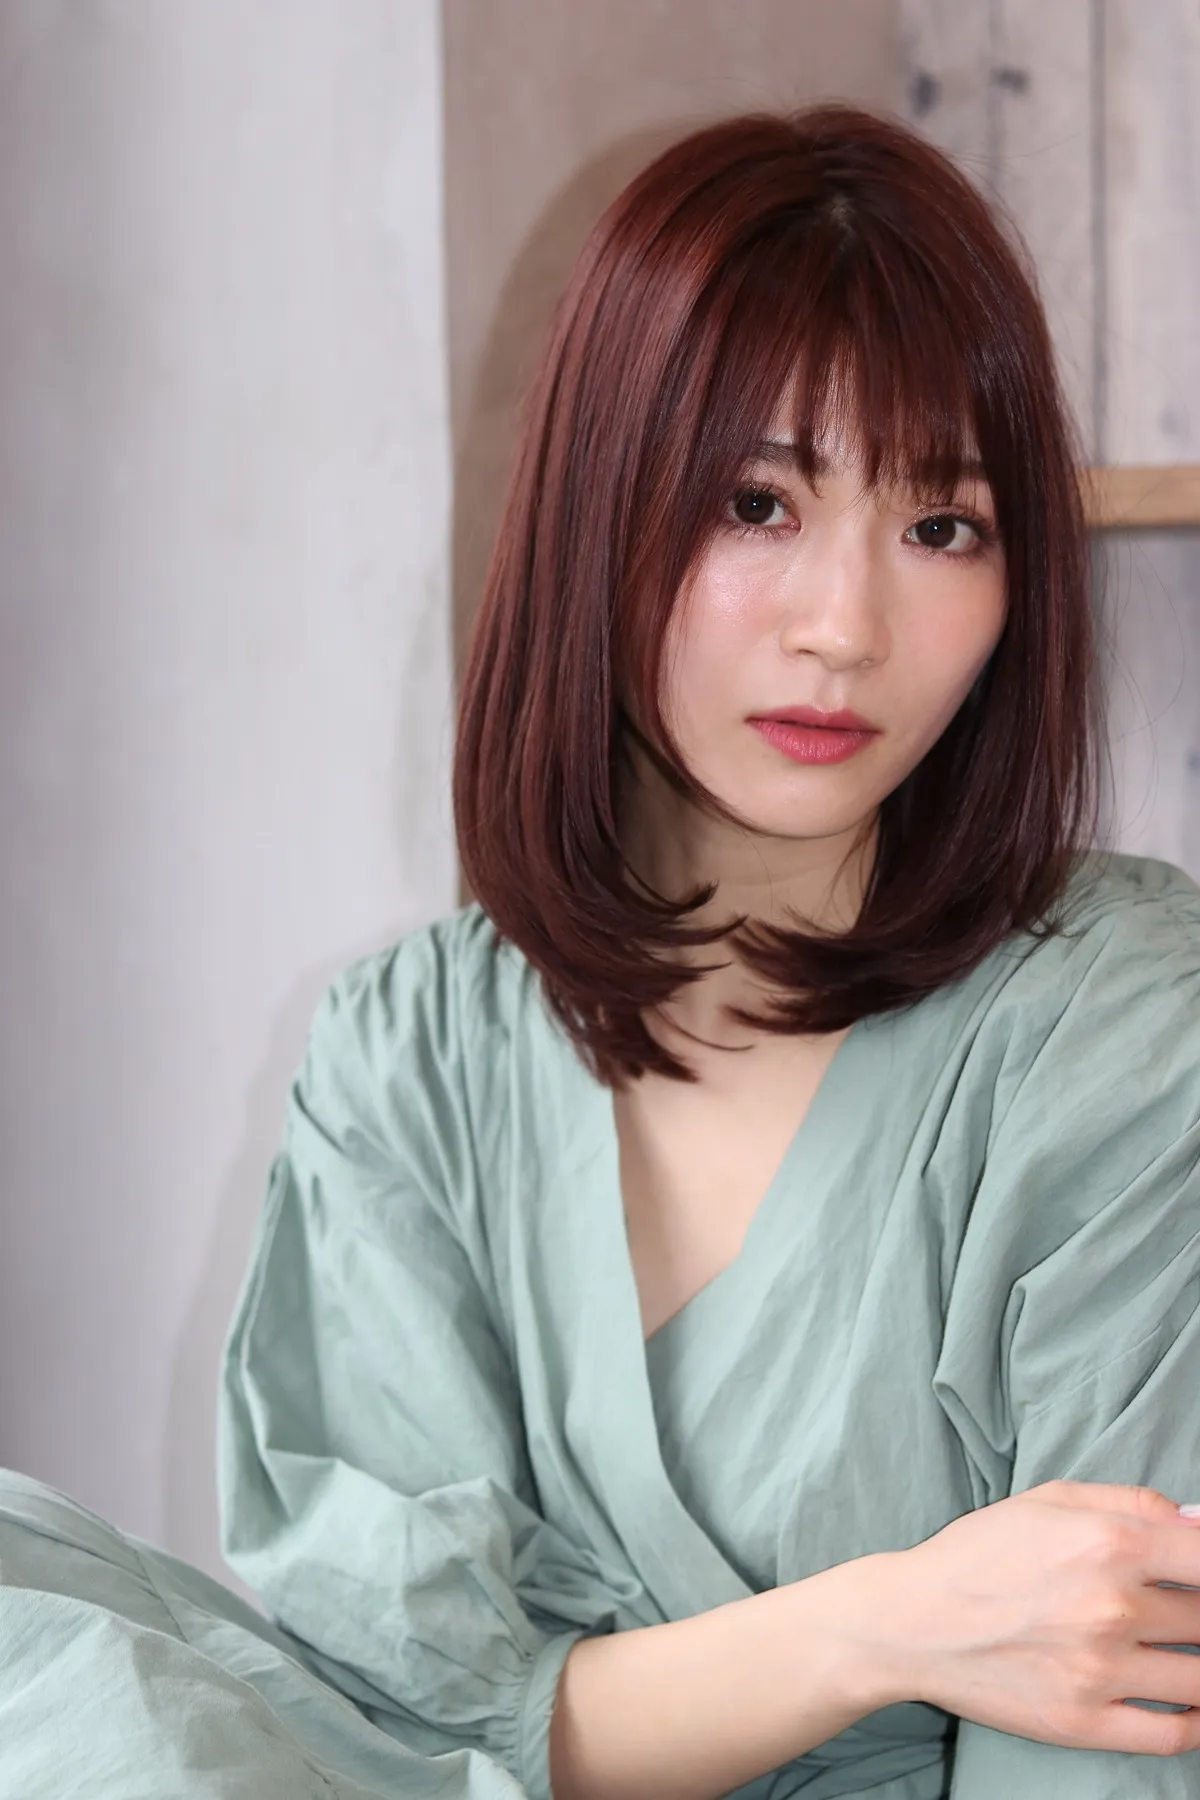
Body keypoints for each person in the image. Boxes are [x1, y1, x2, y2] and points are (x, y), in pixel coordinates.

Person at [1, 102, 1199, 1800]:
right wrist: (885, 1627)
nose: (844, 627)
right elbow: (424, 1715)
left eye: (943, 526)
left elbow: (1116, 1718)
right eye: (756, 503)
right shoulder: (412, 1047)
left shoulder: (1118, 1026)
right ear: (597, 513)